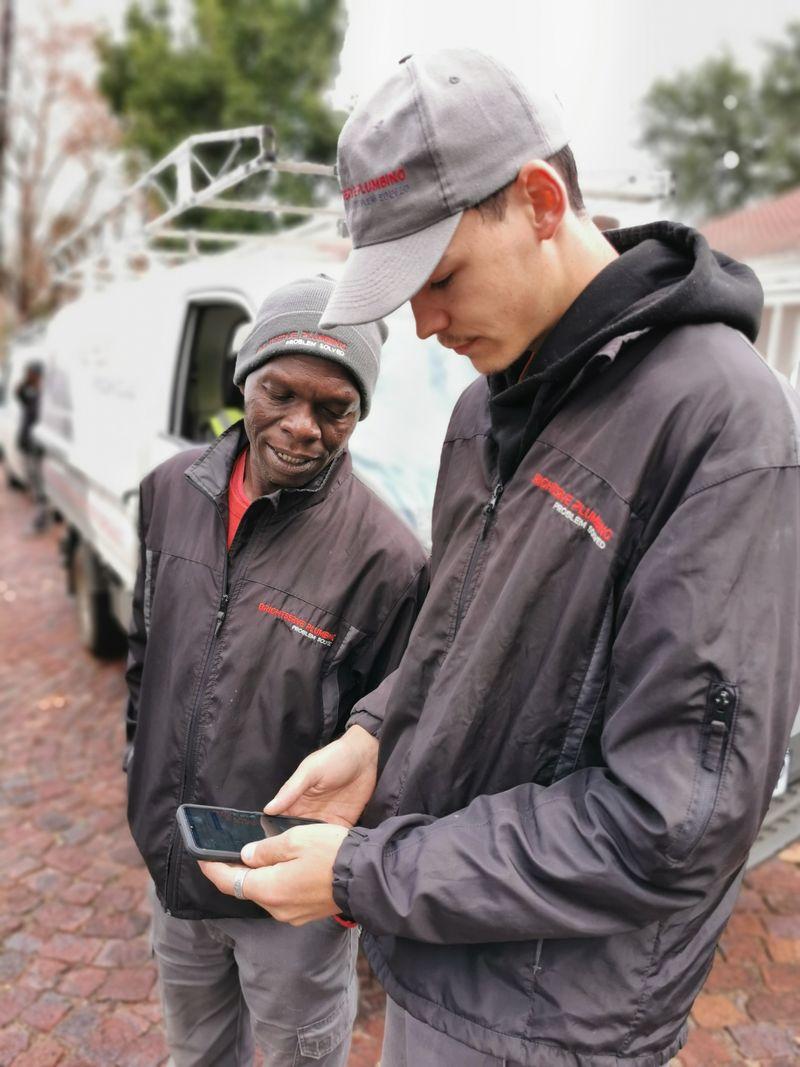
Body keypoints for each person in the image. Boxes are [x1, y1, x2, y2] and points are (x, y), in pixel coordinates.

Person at [200, 50, 800, 1067]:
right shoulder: (484, 408)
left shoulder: (722, 421)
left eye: (437, 278)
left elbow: (668, 822)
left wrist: (362, 874)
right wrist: (375, 734)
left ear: (535, 199)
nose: (423, 324)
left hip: (552, 1016)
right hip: (435, 949)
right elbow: (459, 627)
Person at [125, 274, 428, 1067]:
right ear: (244, 381)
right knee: (196, 1051)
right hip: (177, 863)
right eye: (281, 392)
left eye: (335, 408)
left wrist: (343, 878)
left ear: (362, 412)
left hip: (292, 905)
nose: (302, 426)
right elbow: (145, 646)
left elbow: (393, 741)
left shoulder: (390, 560)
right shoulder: (168, 491)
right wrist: (141, 769)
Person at [15, 361, 49, 533]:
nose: (28, 376)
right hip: (29, 446)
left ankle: (41, 520)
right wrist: (27, 380)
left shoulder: (43, 396)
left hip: (36, 448)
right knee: (33, 481)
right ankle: (41, 516)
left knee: (38, 483)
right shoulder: (32, 393)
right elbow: (18, 393)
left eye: (31, 373)